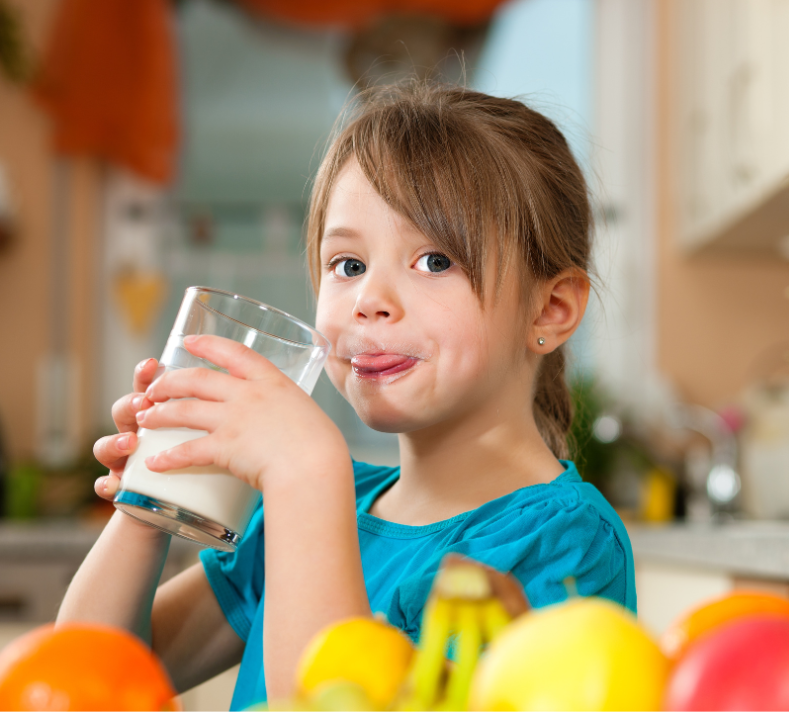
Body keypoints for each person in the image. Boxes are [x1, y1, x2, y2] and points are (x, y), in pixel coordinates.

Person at [57, 82, 635, 710]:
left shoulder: (569, 544)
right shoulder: (318, 511)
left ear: (549, 308)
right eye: (348, 265)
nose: (368, 300)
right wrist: (149, 505)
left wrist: (305, 473)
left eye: (435, 260)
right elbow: (86, 681)